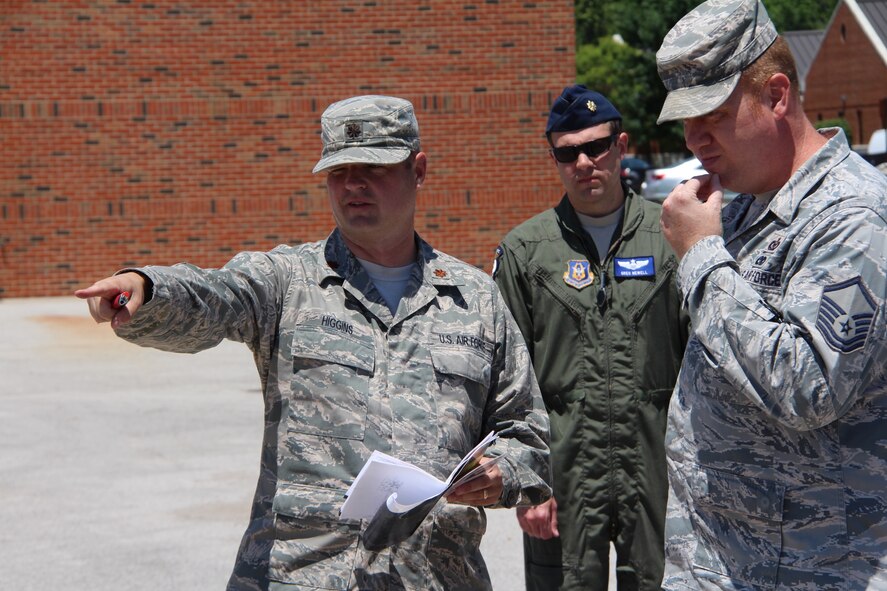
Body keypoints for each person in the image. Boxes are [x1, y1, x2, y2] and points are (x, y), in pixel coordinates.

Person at [75, 95, 552, 591]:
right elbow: (213, 295)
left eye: (374, 166)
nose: (353, 185)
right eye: (339, 170)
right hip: (301, 577)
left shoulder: (475, 299)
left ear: (419, 169)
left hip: (434, 577)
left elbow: (530, 436)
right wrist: (147, 289)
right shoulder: (288, 283)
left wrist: (502, 475)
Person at [654, 0, 887, 588]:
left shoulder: (855, 216)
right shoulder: (740, 208)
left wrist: (703, 258)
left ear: (777, 95)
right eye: (685, 120)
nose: (694, 138)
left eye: (712, 114)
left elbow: (809, 384)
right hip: (722, 557)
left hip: (810, 565)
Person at [492, 85, 689, 591]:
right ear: (554, 158)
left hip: (657, 471)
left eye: (596, 147)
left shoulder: (673, 237)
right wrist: (528, 484)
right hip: (563, 474)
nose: (583, 162)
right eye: (567, 152)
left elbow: (704, 362)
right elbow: (505, 381)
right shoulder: (526, 253)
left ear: (621, 145)